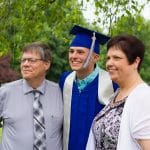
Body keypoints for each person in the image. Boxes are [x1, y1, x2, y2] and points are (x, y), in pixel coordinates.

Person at [59, 25, 118, 150]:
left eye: (80, 52)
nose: (74, 56)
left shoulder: (112, 83)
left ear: (95, 57)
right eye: (71, 51)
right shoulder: (65, 81)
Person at [89, 34, 150, 150]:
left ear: (136, 62)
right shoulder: (116, 95)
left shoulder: (143, 98)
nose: (109, 64)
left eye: (116, 58)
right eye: (108, 58)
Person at [0, 42, 63, 150]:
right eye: (23, 60)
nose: (25, 64)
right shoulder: (4, 92)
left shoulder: (60, 93)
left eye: (31, 60)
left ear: (46, 64)